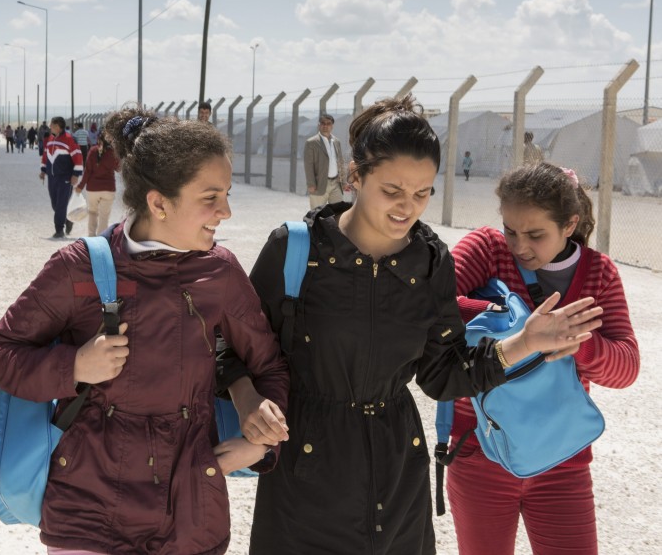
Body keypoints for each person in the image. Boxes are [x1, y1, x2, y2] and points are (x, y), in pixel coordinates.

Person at [219, 95, 602, 554]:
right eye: (393, 191)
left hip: (398, 471)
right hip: (305, 473)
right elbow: (230, 345)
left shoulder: (431, 259)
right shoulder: (296, 249)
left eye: (422, 193)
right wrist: (246, 401)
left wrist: (525, 342)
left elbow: (442, 375)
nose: (408, 208)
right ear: (356, 177)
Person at [0, 108, 289, 555]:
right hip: (86, 510)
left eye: (227, 193)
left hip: (190, 515)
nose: (226, 211)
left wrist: (259, 447)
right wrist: (75, 366)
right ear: (159, 203)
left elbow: (269, 365)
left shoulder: (220, 273)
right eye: (211, 197)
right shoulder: (78, 266)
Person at [445, 162, 638, 555]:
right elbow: (431, 308)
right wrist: (513, 321)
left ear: (570, 225)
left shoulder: (598, 274)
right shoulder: (486, 248)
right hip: (480, 448)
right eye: (511, 230)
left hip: (562, 460)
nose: (519, 246)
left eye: (536, 234)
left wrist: (579, 343)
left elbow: (626, 367)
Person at [40, 117, 84, 238]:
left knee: (61, 204)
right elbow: (45, 154)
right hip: (52, 177)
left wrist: (76, 174)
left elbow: (78, 157)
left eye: (52, 126)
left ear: (58, 127)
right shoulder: (50, 138)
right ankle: (68, 219)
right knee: (55, 204)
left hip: (65, 177)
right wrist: (43, 170)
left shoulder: (70, 139)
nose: (50, 127)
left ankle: (59, 229)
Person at [74, 132, 120, 236]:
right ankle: (101, 239)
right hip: (108, 189)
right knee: (104, 217)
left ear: (98, 139)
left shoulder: (92, 151)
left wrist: (80, 186)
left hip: (93, 189)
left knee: (92, 214)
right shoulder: (112, 152)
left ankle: (91, 237)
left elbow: (87, 171)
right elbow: (118, 168)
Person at [303, 113, 346, 209]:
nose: (325, 126)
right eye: (323, 123)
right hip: (319, 184)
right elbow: (308, 165)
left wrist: (343, 182)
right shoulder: (311, 142)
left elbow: (340, 162)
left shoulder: (336, 141)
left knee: (338, 212)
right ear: (319, 125)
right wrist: (311, 184)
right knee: (316, 214)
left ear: (332, 126)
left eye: (328, 123)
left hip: (336, 184)